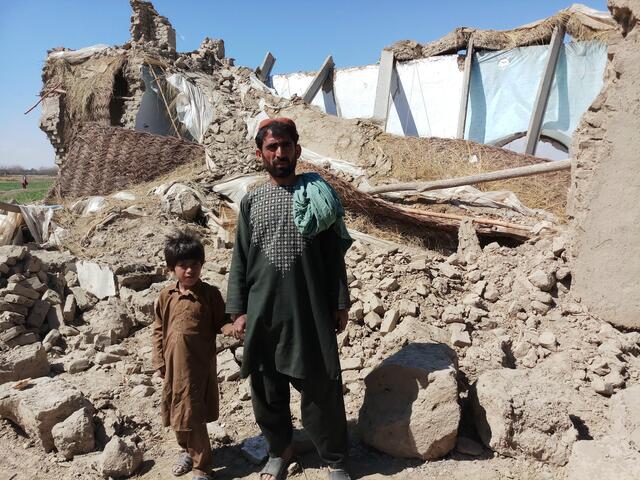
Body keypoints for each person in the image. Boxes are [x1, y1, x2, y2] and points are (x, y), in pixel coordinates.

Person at [226, 118, 353, 480]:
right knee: (266, 388)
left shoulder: (319, 197)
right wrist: (237, 309)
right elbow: (240, 258)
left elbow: (333, 255)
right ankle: (279, 451)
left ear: (297, 150)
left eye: (286, 146)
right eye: (272, 147)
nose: (280, 153)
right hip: (263, 311)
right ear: (260, 154)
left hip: (309, 308)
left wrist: (340, 301)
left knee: (321, 386)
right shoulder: (251, 201)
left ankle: (335, 459)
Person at [152, 231, 233, 480]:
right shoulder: (166, 296)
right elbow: (157, 328)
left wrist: (235, 329)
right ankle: (186, 450)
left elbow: (222, 322)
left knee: (193, 414)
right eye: (183, 266)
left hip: (197, 367)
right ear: (171, 268)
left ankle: (202, 467)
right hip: (172, 366)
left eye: (194, 265)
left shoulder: (209, 294)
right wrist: (158, 360)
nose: (189, 271)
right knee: (176, 411)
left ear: (202, 265)